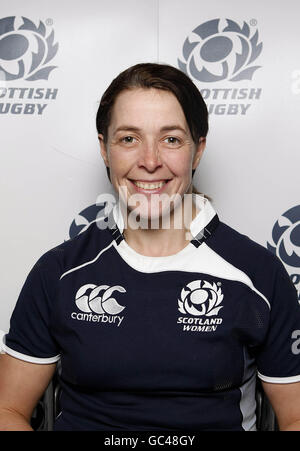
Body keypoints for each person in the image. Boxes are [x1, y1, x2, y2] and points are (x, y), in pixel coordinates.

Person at [0, 62, 300, 431]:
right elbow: (7, 410)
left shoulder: (258, 274)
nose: (150, 161)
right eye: (129, 138)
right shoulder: (59, 272)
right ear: (105, 150)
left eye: (171, 139)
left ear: (198, 149)